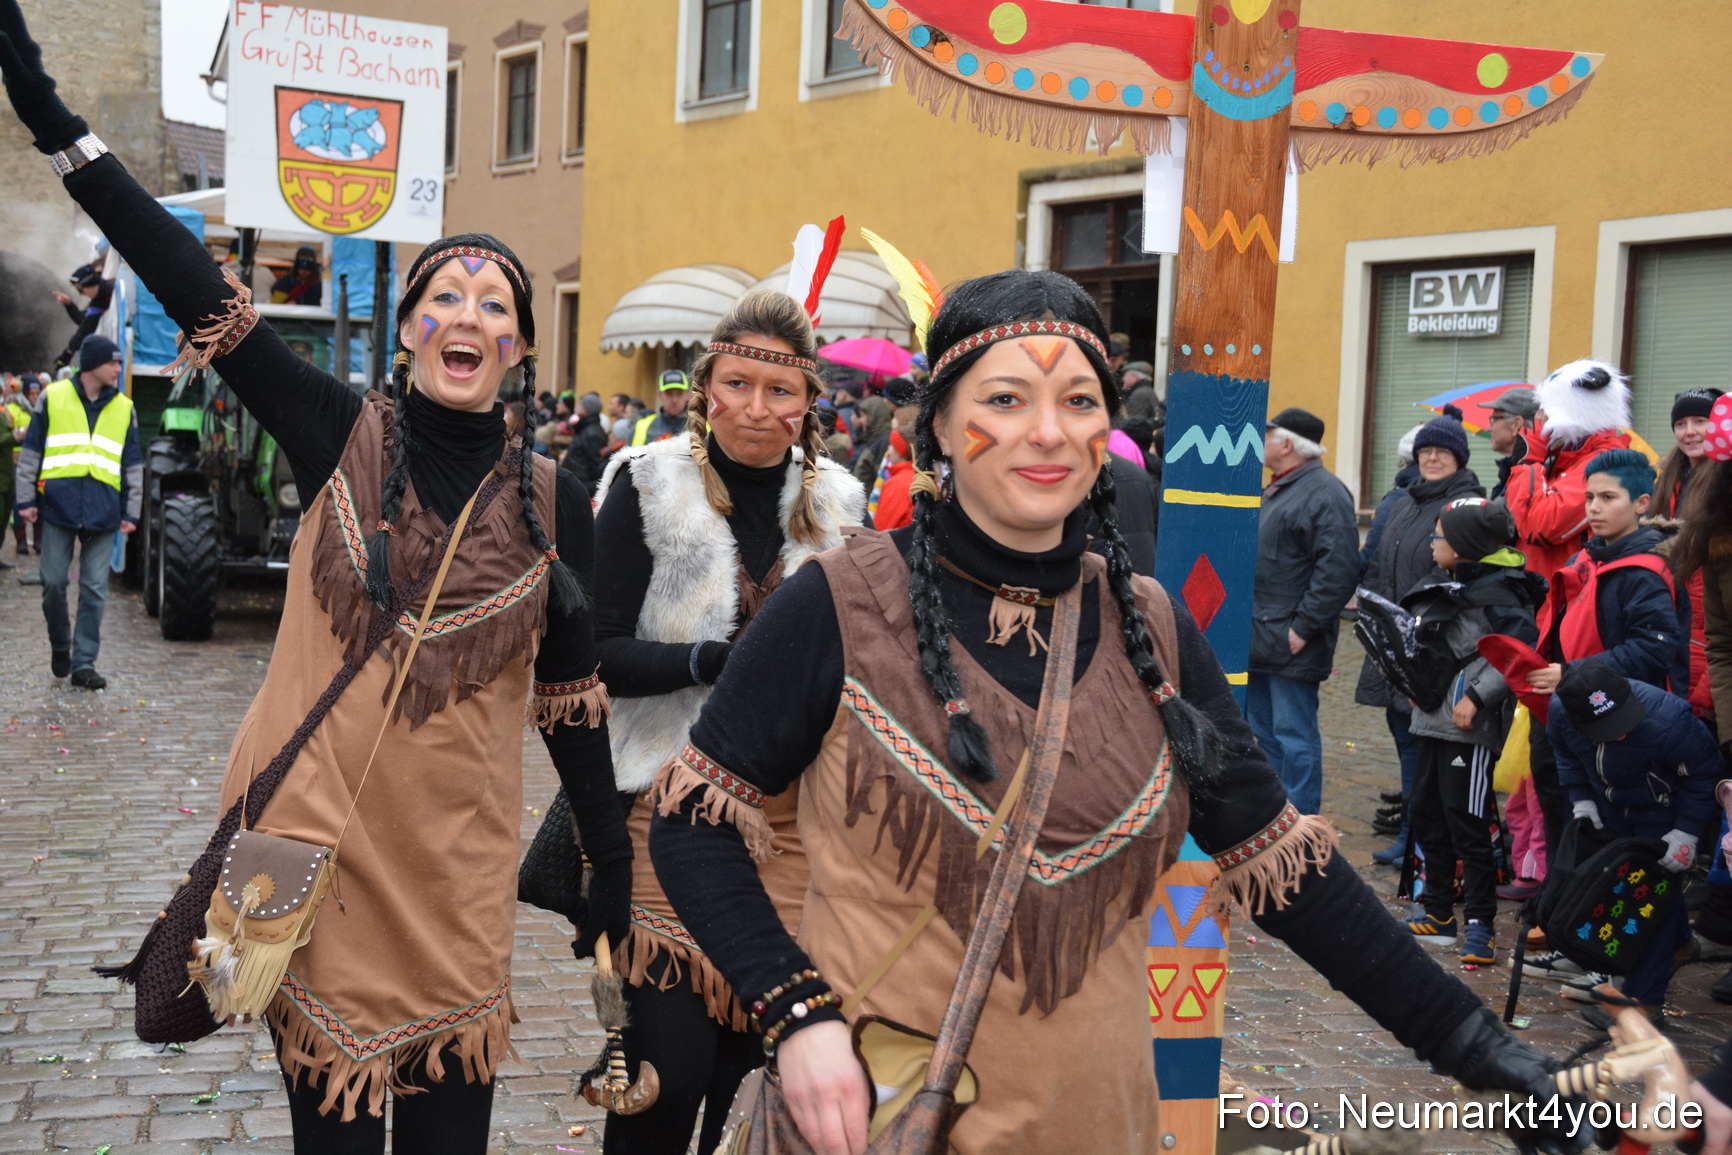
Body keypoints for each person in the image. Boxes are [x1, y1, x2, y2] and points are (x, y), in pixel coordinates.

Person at [648, 269, 1588, 1155]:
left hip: (1097, 1118)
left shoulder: (1154, 628)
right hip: (879, 1115)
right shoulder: (840, 603)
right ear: (939, 426)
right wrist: (795, 1012)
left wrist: (1495, 1062)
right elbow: (691, 828)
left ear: (1109, 432)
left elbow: (1296, 879)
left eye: (1079, 402)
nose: (1047, 432)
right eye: (1005, 400)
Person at [0, 13, 632, 1147]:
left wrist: (609, 865)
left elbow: (570, 700)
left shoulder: (556, 499)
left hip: (457, 880)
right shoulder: (334, 431)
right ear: (407, 331)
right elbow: (188, 278)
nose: (469, 315)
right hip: (319, 864)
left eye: (496, 305)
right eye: (446, 296)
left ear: (522, 351)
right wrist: (53, 122)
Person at [591, 288, 864, 1154]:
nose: (757, 408)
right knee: (663, 1080)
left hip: (795, 830)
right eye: (737, 382)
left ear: (808, 400)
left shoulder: (843, 505)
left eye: (779, 391)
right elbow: (595, 651)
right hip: (665, 811)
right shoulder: (648, 483)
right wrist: (714, 662)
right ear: (707, 384)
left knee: (756, 1086)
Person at [1398, 499, 1544, 963]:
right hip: (1430, 719)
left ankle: (1481, 923)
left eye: (1438, 535)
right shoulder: (1446, 583)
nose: (1431, 542)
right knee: (1426, 811)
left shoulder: (1502, 592)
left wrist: (1477, 697)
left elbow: (1516, 654)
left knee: (1468, 820)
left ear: (1463, 545)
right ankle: (1438, 910)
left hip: (1467, 727)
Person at [1547, 661, 1716, 1027]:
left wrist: (1687, 831)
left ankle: (1644, 1003)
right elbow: (1566, 756)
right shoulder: (1560, 713)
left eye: (1622, 723)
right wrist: (1581, 799)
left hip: (1663, 810)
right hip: (1610, 806)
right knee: (1629, 891)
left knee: (1648, 896)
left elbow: (1704, 774)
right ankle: (1678, 945)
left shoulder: (1670, 720)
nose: (1620, 735)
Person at [1356, 407, 1484, 864]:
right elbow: (1377, 565)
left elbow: (1449, 582)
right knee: (1402, 735)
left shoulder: (1464, 505)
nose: (1432, 458)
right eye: (1426, 450)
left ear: (1459, 458)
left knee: (1422, 747)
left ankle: (1419, 842)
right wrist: (1375, 619)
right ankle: (1411, 837)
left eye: (1442, 451)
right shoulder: (1406, 500)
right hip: (1393, 642)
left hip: (1428, 647)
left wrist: (1415, 635)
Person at [1247, 407, 1359, 816]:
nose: (1262, 443)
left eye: (1269, 435)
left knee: (1294, 737)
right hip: (1262, 635)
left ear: (1288, 444)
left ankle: (1301, 825)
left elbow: (1340, 569)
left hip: (1291, 639)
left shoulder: (1325, 493)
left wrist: (1303, 629)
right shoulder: (1280, 488)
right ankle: (1274, 819)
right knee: (1266, 734)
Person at [15, 334, 139, 688]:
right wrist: (25, 501)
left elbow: (132, 466)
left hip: (103, 510)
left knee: (94, 588)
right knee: (53, 582)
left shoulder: (124, 407)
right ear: (93, 365)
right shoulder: (53, 398)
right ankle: (60, 645)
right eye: (113, 362)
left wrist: (131, 511)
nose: (119, 368)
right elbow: (31, 455)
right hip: (58, 507)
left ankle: (83, 663)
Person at [1651, 386, 1722, 722]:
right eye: (1681, 423)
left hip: (1710, 626)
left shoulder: (1725, 483)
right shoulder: (1664, 481)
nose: (1689, 431)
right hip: (1672, 619)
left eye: (1700, 421)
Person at [51, 261, 113, 371]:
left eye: (80, 289)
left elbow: (86, 325)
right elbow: (85, 323)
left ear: (89, 282)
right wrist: (69, 305)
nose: (81, 294)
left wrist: (69, 351)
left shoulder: (111, 289)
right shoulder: (98, 301)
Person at [1487, 386, 1539, 500]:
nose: (1488, 428)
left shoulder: (1533, 478)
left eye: (1494, 419)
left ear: (1515, 424)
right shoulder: (1510, 472)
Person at [564, 391, 608, 492]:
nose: (577, 406)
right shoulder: (585, 428)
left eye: (581, 404)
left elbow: (595, 465)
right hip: (577, 481)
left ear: (587, 409)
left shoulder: (592, 433)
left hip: (582, 484)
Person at [631, 369, 690, 445]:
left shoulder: (701, 426)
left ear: (688, 395)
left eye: (679, 394)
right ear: (659, 395)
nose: (674, 400)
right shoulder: (642, 427)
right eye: (669, 394)